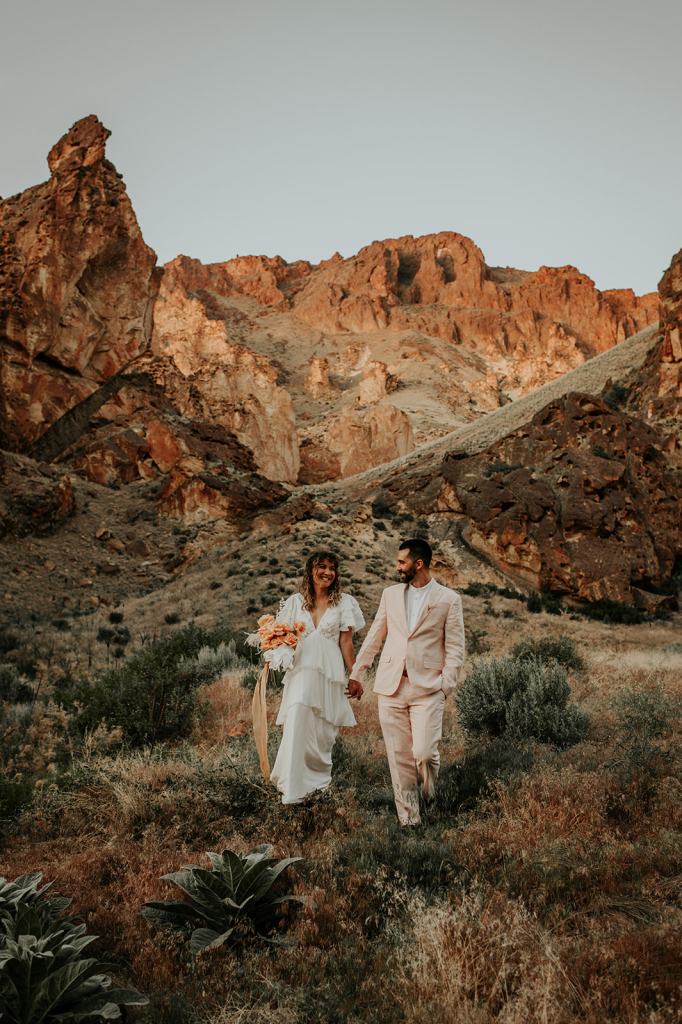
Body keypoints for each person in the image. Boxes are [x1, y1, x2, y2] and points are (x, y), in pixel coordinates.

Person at [348, 539, 465, 826]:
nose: (397, 566)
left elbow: (455, 648)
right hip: (391, 686)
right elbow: (376, 635)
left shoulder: (449, 599)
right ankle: (409, 820)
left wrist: (445, 685)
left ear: (419, 564)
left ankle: (428, 795)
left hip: (428, 688)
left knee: (424, 753)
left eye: (402, 562)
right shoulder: (390, 594)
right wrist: (356, 674)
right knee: (399, 757)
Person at [270, 550, 365, 805]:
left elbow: (346, 642)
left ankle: (317, 788)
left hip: (329, 675)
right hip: (301, 673)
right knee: (298, 718)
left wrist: (355, 675)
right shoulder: (293, 603)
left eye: (332, 568)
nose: (327, 572)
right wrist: (278, 653)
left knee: (323, 735)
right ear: (310, 571)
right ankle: (293, 790)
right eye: (322, 566)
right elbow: (280, 640)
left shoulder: (344, 603)